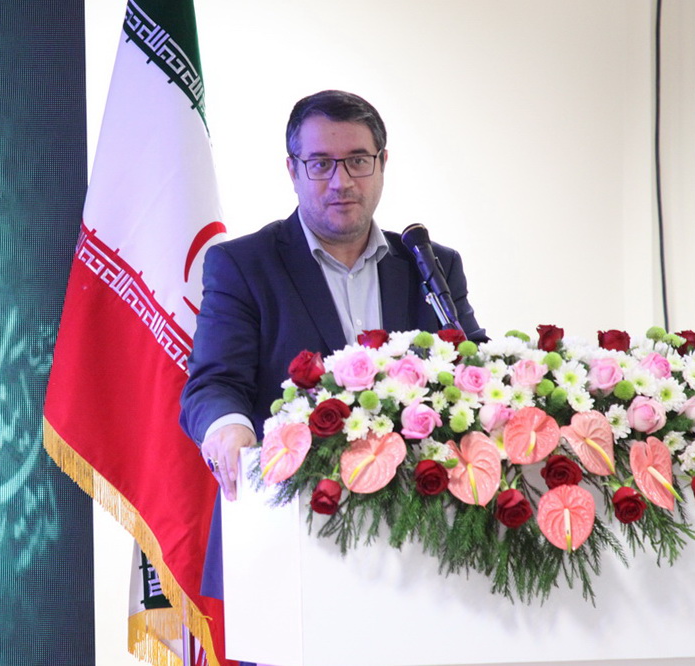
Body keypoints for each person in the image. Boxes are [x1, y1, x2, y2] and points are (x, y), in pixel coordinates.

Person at [179, 89, 484, 600]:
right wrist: (228, 428)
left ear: (382, 164)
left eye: (358, 161)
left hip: (419, 546)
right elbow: (214, 383)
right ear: (292, 170)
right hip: (290, 537)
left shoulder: (430, 264)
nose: (341, 181)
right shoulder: (243, 265)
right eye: (320, 164)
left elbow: (473, 368)